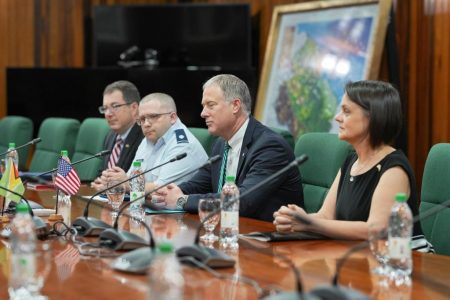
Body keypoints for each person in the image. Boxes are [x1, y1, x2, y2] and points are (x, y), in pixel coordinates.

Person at [274, 80, 433, 252]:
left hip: (402, 262)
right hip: (357, 257)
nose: (337, 117)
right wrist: (295, 220)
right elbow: (325, 216)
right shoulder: (350, 161)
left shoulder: (394, 168)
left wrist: (308, 223)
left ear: (373, 118)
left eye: (346, 111)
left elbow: (375, 229)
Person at [152, 74, 303, 222]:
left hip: (271, 237)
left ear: (235, 106)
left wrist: (181, 201)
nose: (203, 113)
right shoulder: (221, 143)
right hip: (231, 230)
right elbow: (199, 183)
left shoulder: (270, 147)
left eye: (211, 105)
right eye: (203, 106)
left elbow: (241, 201)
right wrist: (170, 193)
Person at [101, 93, 208, 192]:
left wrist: (125, 184)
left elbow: (160, 189)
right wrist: (114, 180)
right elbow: (132, 177)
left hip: (181, 211)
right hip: (146, 207)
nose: (146, 124)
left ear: (172, 117)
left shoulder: (183, 145)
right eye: (142, 119)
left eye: (153, 116)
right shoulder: (148, 139)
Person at [91, 80, 144, 190]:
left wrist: (110, 186)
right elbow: (103, 171)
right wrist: (100, 181)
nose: (108, 114)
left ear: (134, 108)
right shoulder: (110, 136)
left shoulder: (143, 137)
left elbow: (136, 179)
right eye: (105, 108)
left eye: (115, 106)